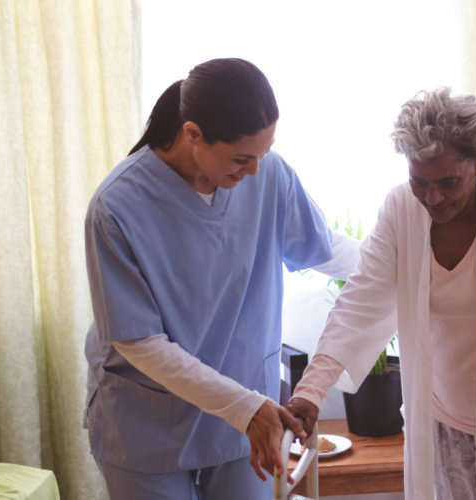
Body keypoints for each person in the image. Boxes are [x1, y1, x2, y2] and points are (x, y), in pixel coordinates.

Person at [285, 88, 476, 499]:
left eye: (449, 182)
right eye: (420, 182)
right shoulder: (401, 209)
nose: (433, 198)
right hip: (441, 415)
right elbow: (361, 300)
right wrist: (310, 389)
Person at [83, 58, 357, 500]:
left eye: (263, 154)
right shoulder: (117, 208)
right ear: (193, 134)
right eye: (241, 158)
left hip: (248, 411)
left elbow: (324, 248)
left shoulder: (268, 174)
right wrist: (245, 408)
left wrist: (407, 268)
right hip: (150, 423)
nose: (253, 172)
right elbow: (140, 344)